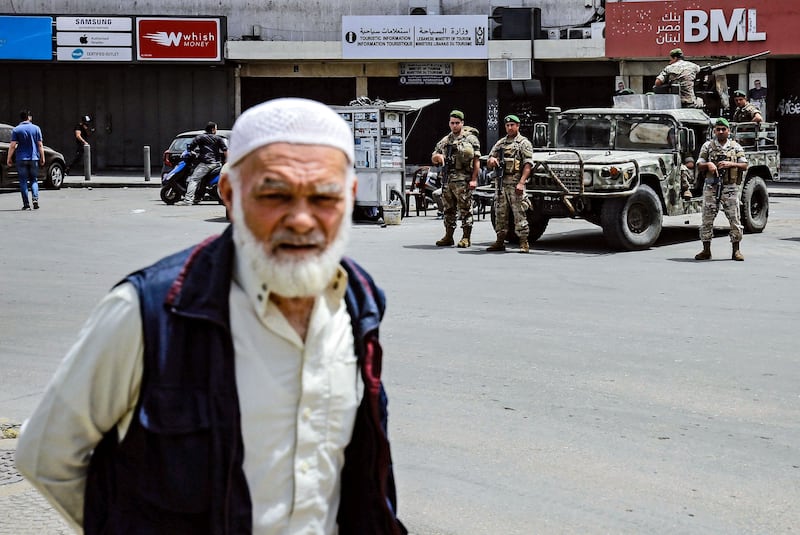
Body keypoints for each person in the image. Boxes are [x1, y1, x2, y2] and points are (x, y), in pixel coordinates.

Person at [16, 98, 407, 535]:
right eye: (274, 194)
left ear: (350, 196)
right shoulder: (149, 311)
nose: (301, 219)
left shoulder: (358, 301)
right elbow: (47, 455)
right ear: (229, 194)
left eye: (324, 196)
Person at [694, 118, 748, 261]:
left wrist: (730, 164)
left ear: (728, 131)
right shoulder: (708, 146)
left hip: (730, 187)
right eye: (718, 129)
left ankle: (736, 250)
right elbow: (699, 164)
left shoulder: (735, 147)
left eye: (723, 129)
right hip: (712, 186)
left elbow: (744, 165)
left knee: (734, 219)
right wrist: (709, 165)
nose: (721, 132)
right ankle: (706, 250)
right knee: (707, 218)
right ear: (714, 131)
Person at [431, 110, 480, 247]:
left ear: (462, 123)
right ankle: (448, 236)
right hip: (447, 180)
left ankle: (466, 237)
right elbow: (434, 155)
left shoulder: (470, 139)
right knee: (448, 209)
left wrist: (474, 179)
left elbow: (477, 160)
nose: (454, 126)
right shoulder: (445, 140)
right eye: (452, 123)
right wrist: (438, 157)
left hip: (463, 179)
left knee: (465, 209)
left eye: (457, 123)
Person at [485, 114, 534, 253]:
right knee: (500, 213)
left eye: (512, 125)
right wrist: (492, 161)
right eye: (507, 125)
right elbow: (490, 158)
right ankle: (500, 240)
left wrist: (521, 183)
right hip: (501, 183)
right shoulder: (500, 143)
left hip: (515, 183)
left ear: (517, 126)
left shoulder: (524, 143)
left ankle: (524, 242)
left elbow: (528, 164)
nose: (509, 127)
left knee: (519, 213)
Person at [179, 121, 228, 205]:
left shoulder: (200, 138)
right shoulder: (218, 138)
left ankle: (188, 200)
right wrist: (226, 161)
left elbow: (190, 147)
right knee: (203, 179)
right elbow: (225, 151)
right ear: (213, 129)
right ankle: (198, 198)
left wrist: (190, 151)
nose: (216, 130)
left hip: (206, 163)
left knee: (194, 179)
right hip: (217, 164)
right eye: (216, 129)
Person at [6, 109, 45, 210]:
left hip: (21, 158)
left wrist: (9, 158)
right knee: (34, 180)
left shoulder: (16, 129)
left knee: (23, 181)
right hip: (33, 158)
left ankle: (26, 204)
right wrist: (42, 157)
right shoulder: (36, 128)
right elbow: (40, 144)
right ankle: (35, 199)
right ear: (29, 117)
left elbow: (13, 145)